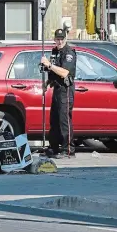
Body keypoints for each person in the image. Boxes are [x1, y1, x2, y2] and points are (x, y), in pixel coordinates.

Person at [40, 28, 76, 159]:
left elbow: (65, 72)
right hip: (56, 88)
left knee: (64, 120)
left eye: (62, 39)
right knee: (54, 119)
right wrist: (47, 82)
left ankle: (68, 149)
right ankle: (53, 147)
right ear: (54, 39)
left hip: (65, 89)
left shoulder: (69, 52)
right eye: (57, 39)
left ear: (65, 39)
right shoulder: (55, 51)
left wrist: (49, 65)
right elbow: (53, 71)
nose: (59, 41)